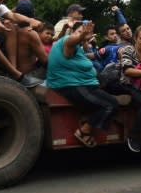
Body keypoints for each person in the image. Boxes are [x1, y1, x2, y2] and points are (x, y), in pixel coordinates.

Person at [47, 20, 120, 149]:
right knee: (110, 105)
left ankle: (90, 119)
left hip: (86, 85)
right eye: (80, 31)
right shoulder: (67, 41)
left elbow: (89, 56)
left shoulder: (78, 48)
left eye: (86, 32)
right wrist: (81, 37)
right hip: (73, 86)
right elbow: (70, 43)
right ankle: (84, 130)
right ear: (73, 32)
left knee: (113, 89)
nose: (83, 34)